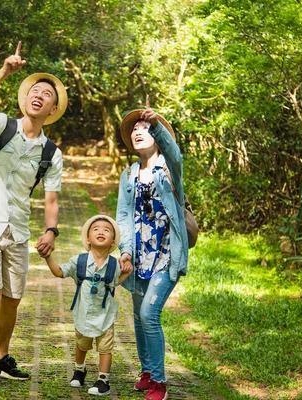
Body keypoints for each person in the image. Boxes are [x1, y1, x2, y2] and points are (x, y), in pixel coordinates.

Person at [0, 41, 68, 390]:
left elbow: (51, 198)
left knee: (12, 299)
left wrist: (51, 231)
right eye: (34, 91)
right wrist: (4, 71)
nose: (38, 95)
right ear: (25, 99)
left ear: (53, 108)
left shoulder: (52, 152)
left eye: (46, 94)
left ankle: (0, 357)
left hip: (18, 229)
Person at [116, 97, 189, 400]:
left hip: (166, 255)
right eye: (135, 128)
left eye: (144, 127)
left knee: (149, 314)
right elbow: (123, 214)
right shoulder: (129, 173)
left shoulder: (168, 167)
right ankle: (146, 372)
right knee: (137, 316)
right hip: (139, 257)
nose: (138, 130)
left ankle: (159, 382)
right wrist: (125, 251)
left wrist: (157, 124)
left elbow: (175, 152)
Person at [41, 215, 132, 396]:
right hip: (83, 314)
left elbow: (115, 283)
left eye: (106, 230)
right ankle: (79, 369)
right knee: (82, 345)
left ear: (112, 241)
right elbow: (60, 272)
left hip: (105, 315)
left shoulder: (114, 264)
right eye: (96, 229)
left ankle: (103, 380)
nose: (101, 231)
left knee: (105, 348)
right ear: (88, 239)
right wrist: (47, 257)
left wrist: (127, 272)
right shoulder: (79, 261)